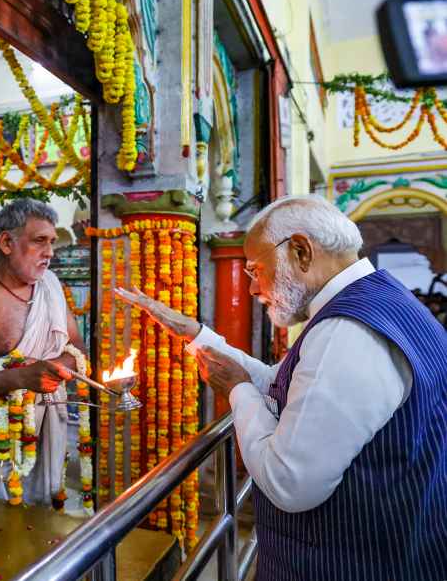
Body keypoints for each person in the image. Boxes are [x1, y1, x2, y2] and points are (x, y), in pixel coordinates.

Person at [116, 195, 447, 581]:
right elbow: (284, 384)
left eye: (256, 269)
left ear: (301, 251)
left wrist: (237, 391)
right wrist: (198, 335)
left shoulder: (347, 332)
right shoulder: (378, 300)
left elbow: (289, 482)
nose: (254, 287)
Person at [0, 199, 87, 504]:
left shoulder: (50, 286)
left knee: (40, 528)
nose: (50, 252)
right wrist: (24, 376)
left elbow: (76, 346)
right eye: (39, 241)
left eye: (52, 242)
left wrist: (52, 368)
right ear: (7, 242)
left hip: (41, 429)